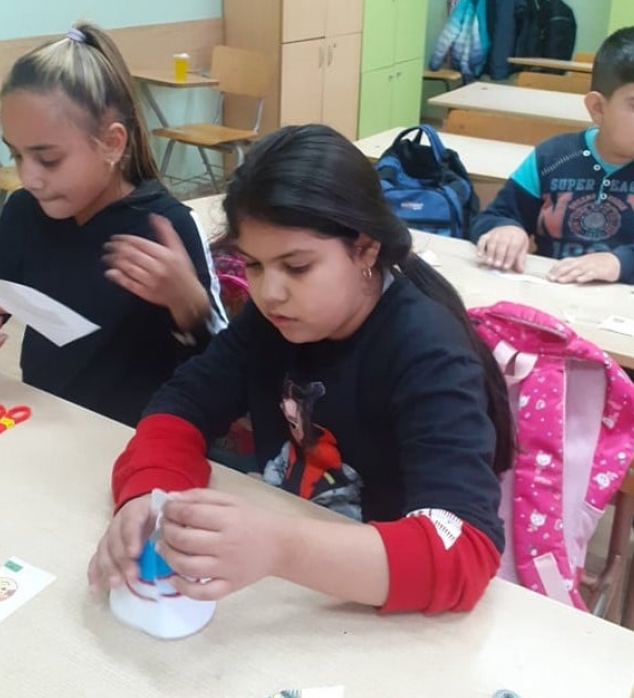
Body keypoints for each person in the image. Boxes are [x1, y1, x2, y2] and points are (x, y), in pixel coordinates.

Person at [88, 123, 514, 615]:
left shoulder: (427, 351)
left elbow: (462, 547)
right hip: (294, 576)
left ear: (366, 248)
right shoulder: (275, 322)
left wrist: (280, 547)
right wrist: (149, 492)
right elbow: (183, 403)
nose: (269, 293)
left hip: (382, 609)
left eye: (297, 267)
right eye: (253, 265)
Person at [471, 25, 634, 622]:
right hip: (557, 342)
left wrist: (621, 261)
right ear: (598, 107)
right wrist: (504, 229)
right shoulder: (553, 158)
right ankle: (513, 518)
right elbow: (494, 216)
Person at [0, 23, 227, 426]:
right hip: (47, 423)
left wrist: (189, 305)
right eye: (16, 155)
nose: (29, 178)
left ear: (112, 143)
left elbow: (222, 371)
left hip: (136, 438)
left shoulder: (168, 227)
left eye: (48, 159)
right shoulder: (24, 212)